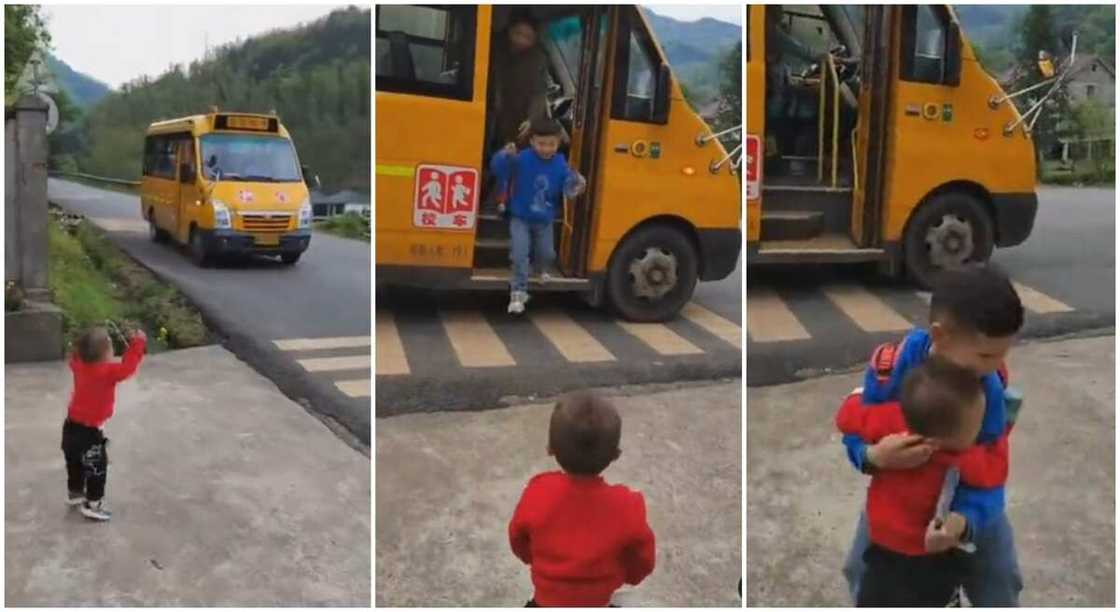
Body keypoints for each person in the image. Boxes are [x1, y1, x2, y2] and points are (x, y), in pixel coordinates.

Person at [840, 264, 1026, 606]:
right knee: (859, 570)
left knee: (999, 580)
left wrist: (965, 519)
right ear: (940, 336)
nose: (996, 365)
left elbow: (991, 470)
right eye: (986, 354)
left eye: (1003, 352)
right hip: (896, 501)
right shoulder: (890, 371)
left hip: (965, 501)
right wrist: (872, 457)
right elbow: (853, 432)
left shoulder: (991, 388)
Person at [837, 357, 1011, 606]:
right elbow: (994, 470)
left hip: (907, 546)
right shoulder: (963, 455)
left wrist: (963, 521)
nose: (984, 433)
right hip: (910, 550)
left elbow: (849, 415)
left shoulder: (898, 419)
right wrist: (871, 456)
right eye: (976, 428)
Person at [509, 391, 656, 607]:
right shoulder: (628, 506)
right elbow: (643, 560)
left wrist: (537, 560)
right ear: (615, 455)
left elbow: (518, 538)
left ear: (551, 449)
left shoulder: (538, 491)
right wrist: (627, 576)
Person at [490, 117, 586, 315]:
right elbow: (498, 169)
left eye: (551, 144)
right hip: (520, 217)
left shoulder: (561, 164)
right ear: (532, 141)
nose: (546, 148)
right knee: (519, 253)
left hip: (544, 220)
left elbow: (569, 188)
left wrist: (577, 184)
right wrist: (504, 155)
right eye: (541, 144)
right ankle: (518, 292)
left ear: (558, 143)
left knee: (547, 254)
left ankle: (540, 268)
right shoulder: (521, 158)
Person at [63, 326, 147, 521]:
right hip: (89, 432)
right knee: (97, 468)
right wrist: (137, 343)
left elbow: (75, 356)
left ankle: (75, 493)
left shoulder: (78, 364)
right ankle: (93, 504)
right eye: (110, 346)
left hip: (70, 427)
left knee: (74, 462)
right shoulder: (107, 371)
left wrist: (78, 348)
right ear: (105, 355)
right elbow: (128, 367)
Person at [490, 10, 551, 150]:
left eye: (527, 37)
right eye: (518, 34)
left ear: (535, 39)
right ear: (510, 31)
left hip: (517, 116)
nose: (521, 41)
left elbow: (539, 93)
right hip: (490, 109)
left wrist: (532, 120)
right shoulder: (493, 48)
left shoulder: (537, 60)